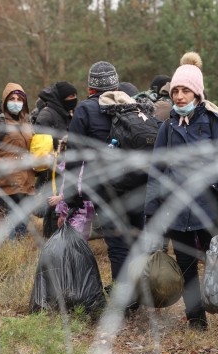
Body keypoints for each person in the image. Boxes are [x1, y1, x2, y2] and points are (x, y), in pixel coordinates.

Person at [143, 52, 218, 336]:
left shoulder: (214, 122)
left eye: (185, 90)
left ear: (197, 92)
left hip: (208, 208)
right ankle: (196, 320)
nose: (180, 96)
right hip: (176, 210)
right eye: (175, 91)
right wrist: (151, 210)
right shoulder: (168, 126)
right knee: (185, 266)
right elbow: (157, 171)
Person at [66, 61, 141, 305]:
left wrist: (73, 196)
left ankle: (124, 301)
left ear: (90, 88)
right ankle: (139, 293)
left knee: (118, 245)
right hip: (139, 185)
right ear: (116, 84)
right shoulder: (132, 104)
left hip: (107, 190)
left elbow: (74, 157)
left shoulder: (86, 110)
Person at [0, 83, 35, 240]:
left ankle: (17, 257)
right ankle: (10, 256)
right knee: (11, 223)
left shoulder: (27, 124)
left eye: (19, 99)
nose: (16, 101)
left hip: (26, 181)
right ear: (5, 101)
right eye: (12, 98)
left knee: (23, 224)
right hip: (7, 182)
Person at [34, 80, 78, 238]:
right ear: (60, 98)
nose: (73, 99)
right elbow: (41, 149)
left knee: (63, 210)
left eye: (75, 96)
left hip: (65, 171)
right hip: (51, 173)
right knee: (52, 211)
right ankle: (51, 244)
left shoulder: (67, 114)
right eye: (70, 96)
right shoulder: (47, 115)